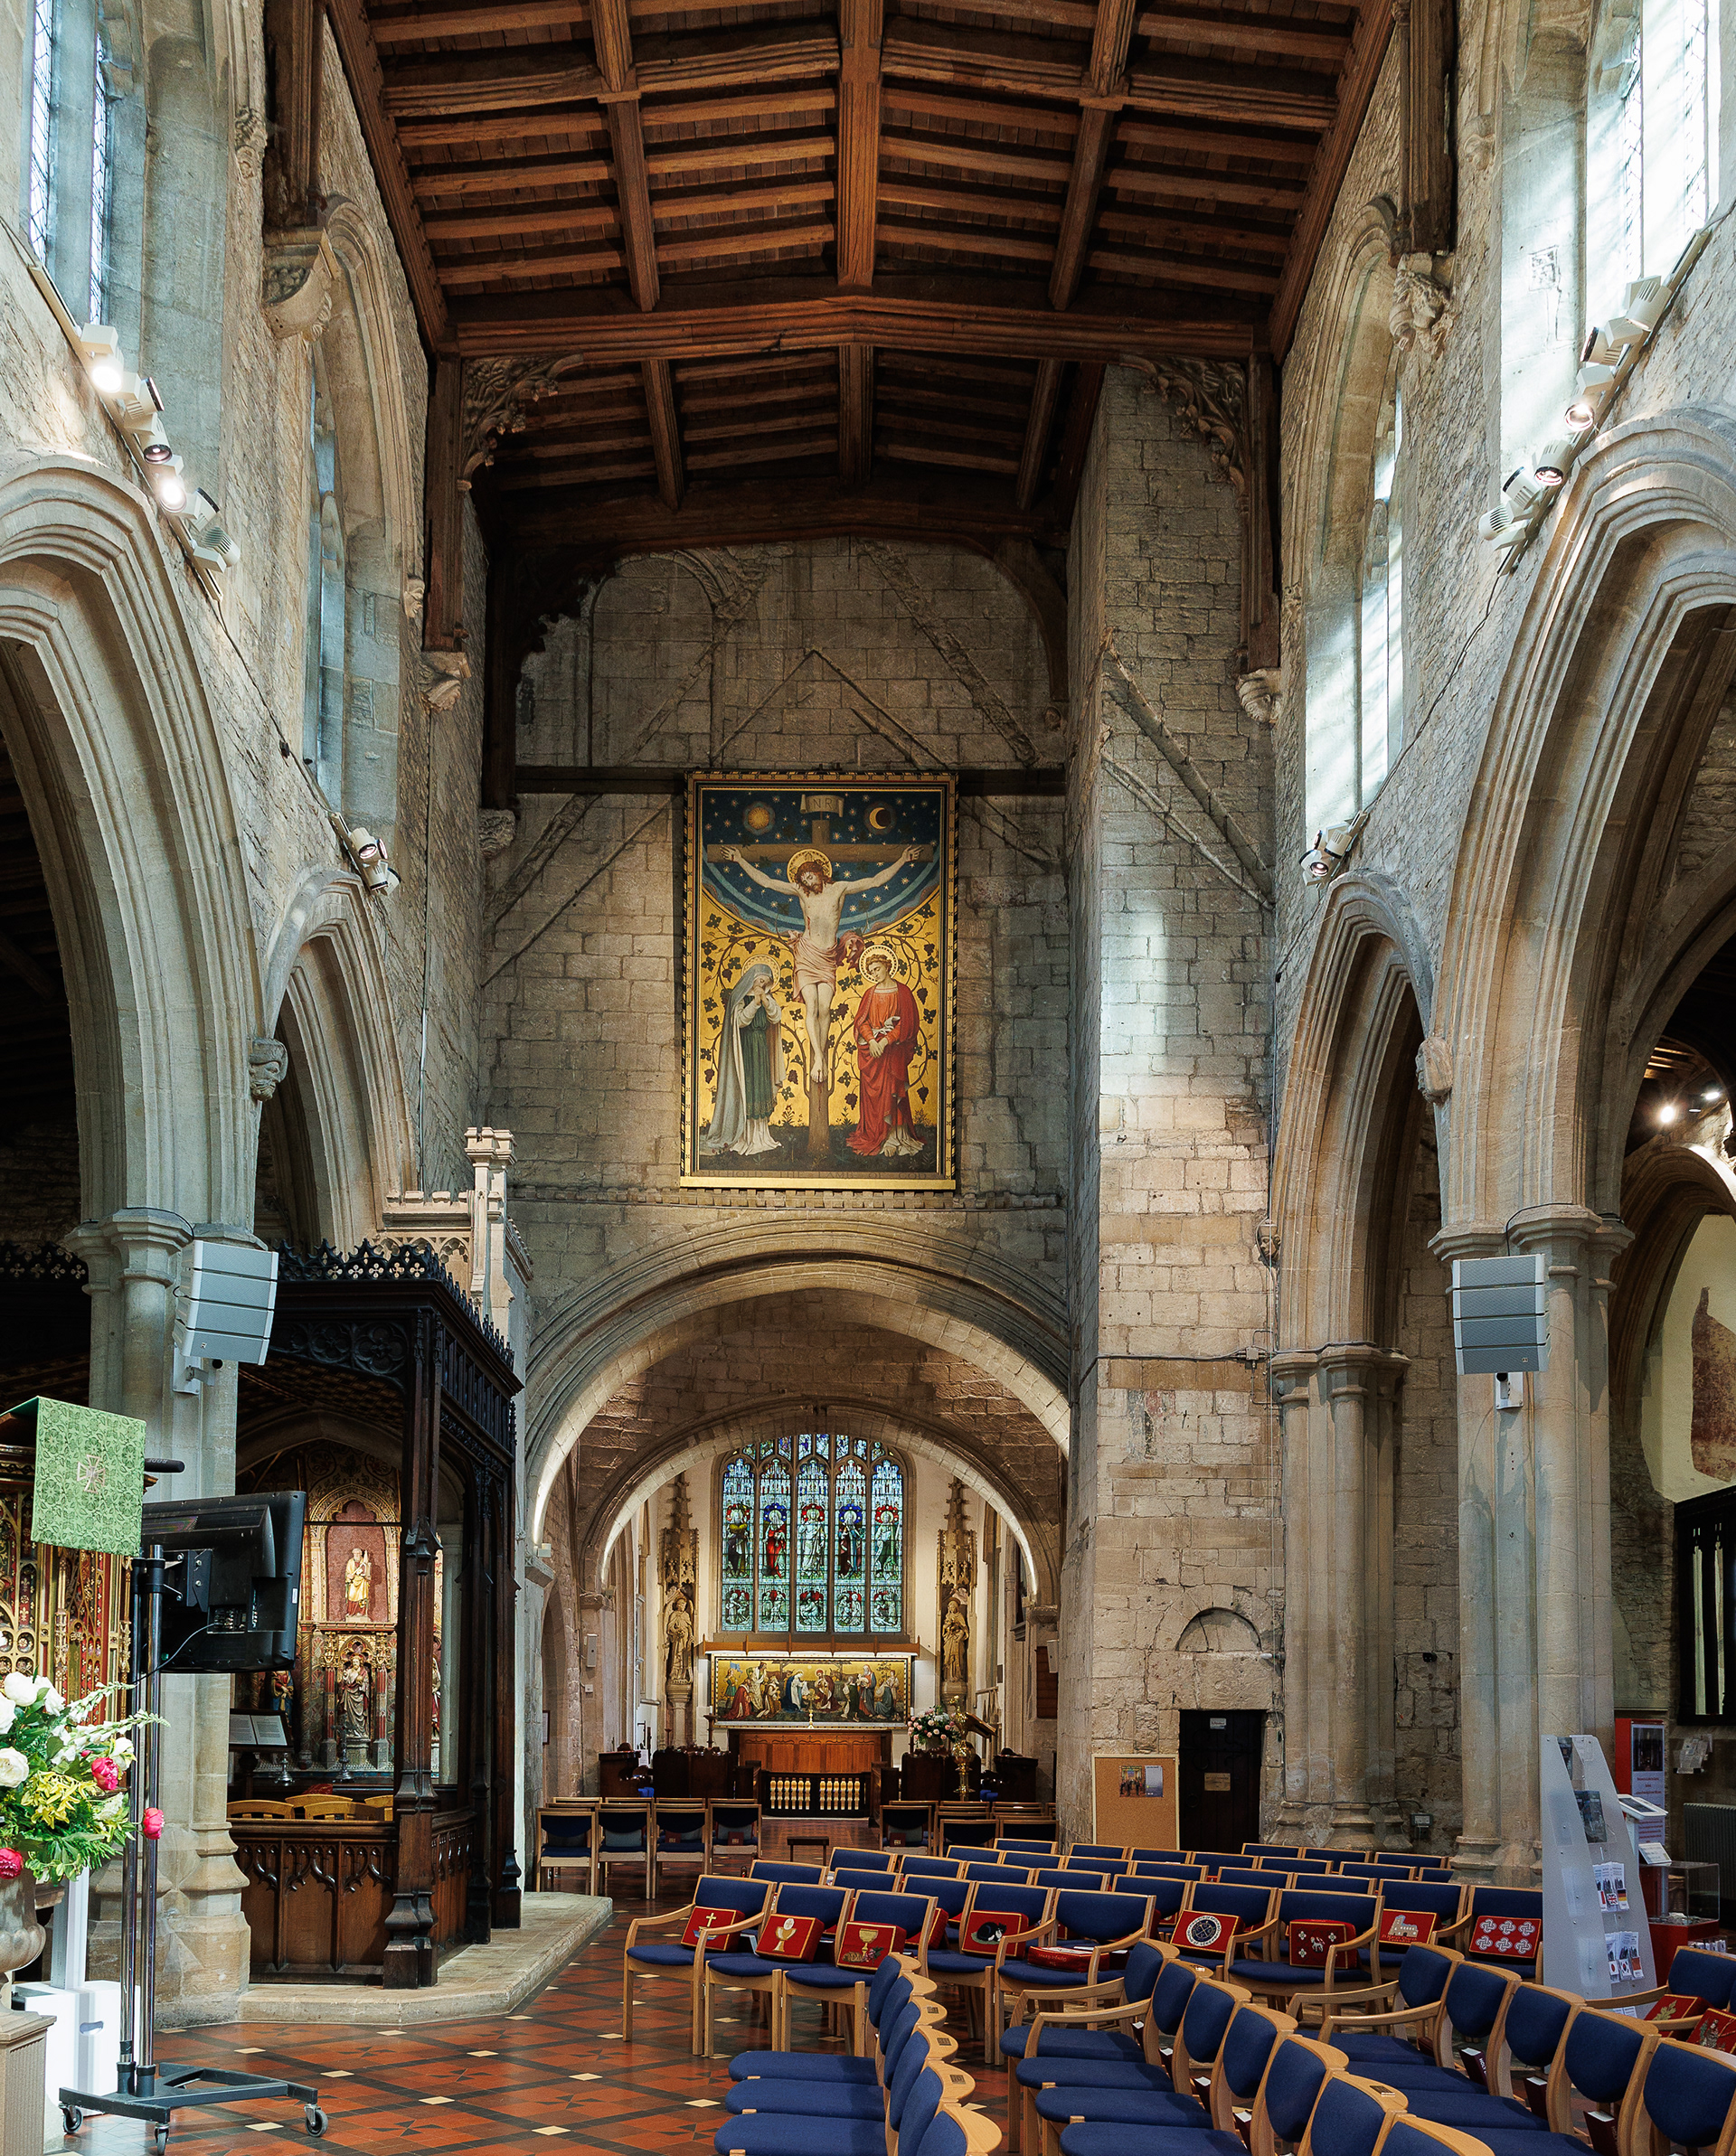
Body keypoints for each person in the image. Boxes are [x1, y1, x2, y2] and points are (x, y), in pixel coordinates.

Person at [722, 846, 920, 1084]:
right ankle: (818, 1058)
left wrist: (901, 859)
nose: (807, 881)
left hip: (827, 957)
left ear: (819, 872)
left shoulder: (839, 889)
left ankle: (820, 1053)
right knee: (812, 1007)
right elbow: (767, 882)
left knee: (825, 1008)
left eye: (809, 875)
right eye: (803, 878)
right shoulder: (802, 893)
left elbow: (875, 881)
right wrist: (741, 860)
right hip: (806, 954)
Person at [700, 963, 787, 1155]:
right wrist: (754, 1004)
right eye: (759, 980)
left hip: (761, 1048)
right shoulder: (740, 998)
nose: (761, 984)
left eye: (765, 982)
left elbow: (776, 1016)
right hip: (746, 1048)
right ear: (751, 979)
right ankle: (745, 1137)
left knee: (761, 1087)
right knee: (749, 1089)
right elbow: (739, 1021)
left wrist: (763, 1000)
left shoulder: (766, 998)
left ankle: (761, 1137)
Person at [848, 947, 924, 1157]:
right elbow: (861, 1022)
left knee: (893, 1092)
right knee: (874, 1096)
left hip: (893, 1053)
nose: (875, 974)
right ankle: (875, 1136)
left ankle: (894, 1138)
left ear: (887, 966)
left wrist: (887, 1040)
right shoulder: (869, 994)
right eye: (871, 971)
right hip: (873, 1054)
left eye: (877, 969)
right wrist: (872, 1041)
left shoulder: (903, 992)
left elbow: (908, 1024)